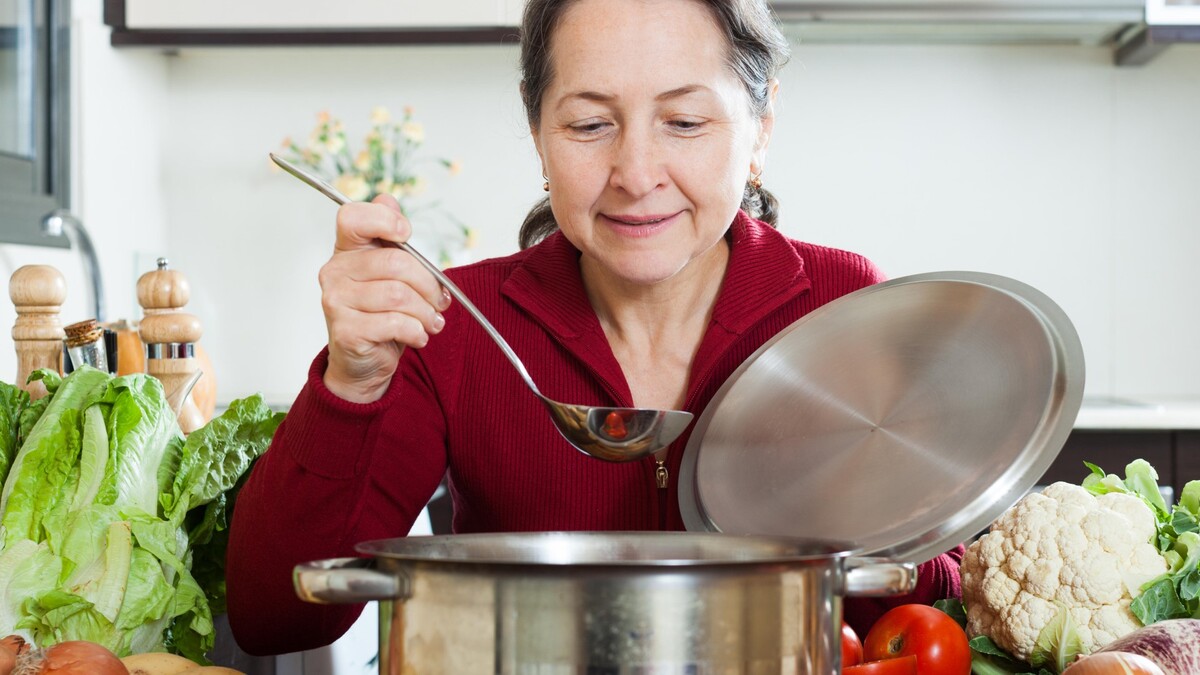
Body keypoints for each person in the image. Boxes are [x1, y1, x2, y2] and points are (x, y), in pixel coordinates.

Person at [226, 0, 964, 656]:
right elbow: (274, 617)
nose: (636, 173)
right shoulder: (451, 327)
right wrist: (349, 385)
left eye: (683, 121)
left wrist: (852, 499)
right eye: (589, 124)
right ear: (537, 129)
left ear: (760, 128)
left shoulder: (842, 307)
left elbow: (936, 613)